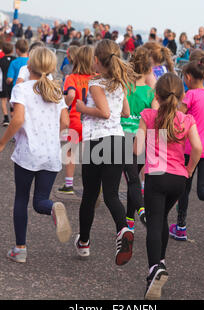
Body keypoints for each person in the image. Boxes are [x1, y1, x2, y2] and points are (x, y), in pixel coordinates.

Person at [0, 47, 72, 264]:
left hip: (29, 153)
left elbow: (17, 120)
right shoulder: (56, 90)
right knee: (40, 201)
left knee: (21, 198)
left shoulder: (22, 89)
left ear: (29, 66)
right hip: (52, 153)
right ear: (52, 67)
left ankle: (20, 249)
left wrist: (0, 143)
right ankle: (52, 207)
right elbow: (65, 122)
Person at [134, 73, 202, 300]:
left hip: (156, 175)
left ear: (157, 95)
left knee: (154, 222)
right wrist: (189, 170)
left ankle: (154, 269)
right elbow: (197, 148)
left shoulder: (149, 115)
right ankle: (161, 262)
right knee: (161, 217)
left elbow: (136, 149)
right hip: (178, 179)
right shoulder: (186, 120)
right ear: (181, 95)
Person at [73, 39, 135, 266]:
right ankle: (122, 230)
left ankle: (85, 243)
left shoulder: (96, 83)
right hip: (118, 140)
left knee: (90, 194)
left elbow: (105, 112)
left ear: (97, 61)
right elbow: (126, 113)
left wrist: (81, 108)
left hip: (97, 141)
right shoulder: (119, 84)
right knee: (111, 194)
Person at [170, 60, 204, 243]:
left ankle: (181, 228)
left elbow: (179, 119)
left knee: (183, 189)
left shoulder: (190, 95)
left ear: (188, 77)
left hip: (189, 148)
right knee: (202, 190)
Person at [120, 46, 155, 231]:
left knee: (132, 179)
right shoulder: (151, 93)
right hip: (143, 139)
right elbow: (155, 116)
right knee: (133, 179)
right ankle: (130, 220)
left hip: (124, 137)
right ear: (149, 70)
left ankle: (141, 211)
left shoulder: (123, 88)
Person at [58, 45, 95, 195]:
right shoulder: (96, 78)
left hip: (75, 119)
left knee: (70, 152)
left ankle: (69, 184)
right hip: (91, 120)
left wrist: (65, 105)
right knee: (90, 154)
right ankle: (92, 185)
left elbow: (71, 95)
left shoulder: (72, 78)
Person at [0, 42, 16, 127]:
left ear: (3, 51)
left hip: (3, 82)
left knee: (3, 100)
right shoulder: (15, 59)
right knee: (12, 100)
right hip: (13, 83)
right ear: (12, 50)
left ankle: (6, 118)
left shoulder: (0, 60)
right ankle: (12, 113)